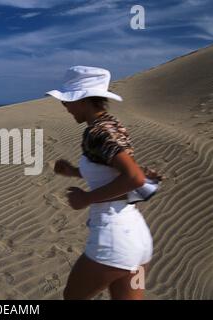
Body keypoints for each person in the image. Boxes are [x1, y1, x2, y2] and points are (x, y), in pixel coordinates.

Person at [46, 66, 162, 300]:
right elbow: (113, 171)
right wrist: (74, 172)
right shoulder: (112, 125)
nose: (65, 107)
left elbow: (134, 178)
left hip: (113, 240)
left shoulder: (98, 133)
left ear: (83, 100)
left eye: (67, 101)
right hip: (138, 243)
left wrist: (85, 199)